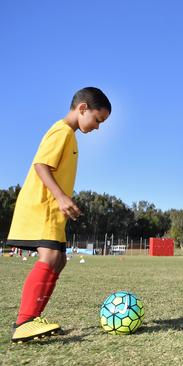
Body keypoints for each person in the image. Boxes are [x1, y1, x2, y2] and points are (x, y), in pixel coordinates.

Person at [8, 87, 111, 342]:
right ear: (83, 109)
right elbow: (41, 165)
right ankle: (25, 322)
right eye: (98, 120)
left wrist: (65, 201)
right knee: (51, 256)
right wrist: (61, 197)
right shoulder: (62, 131)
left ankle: (33, 320)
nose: (98, 127)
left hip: (53, 210)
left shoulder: (70, 136)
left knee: (60, 259)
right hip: (42, 206)